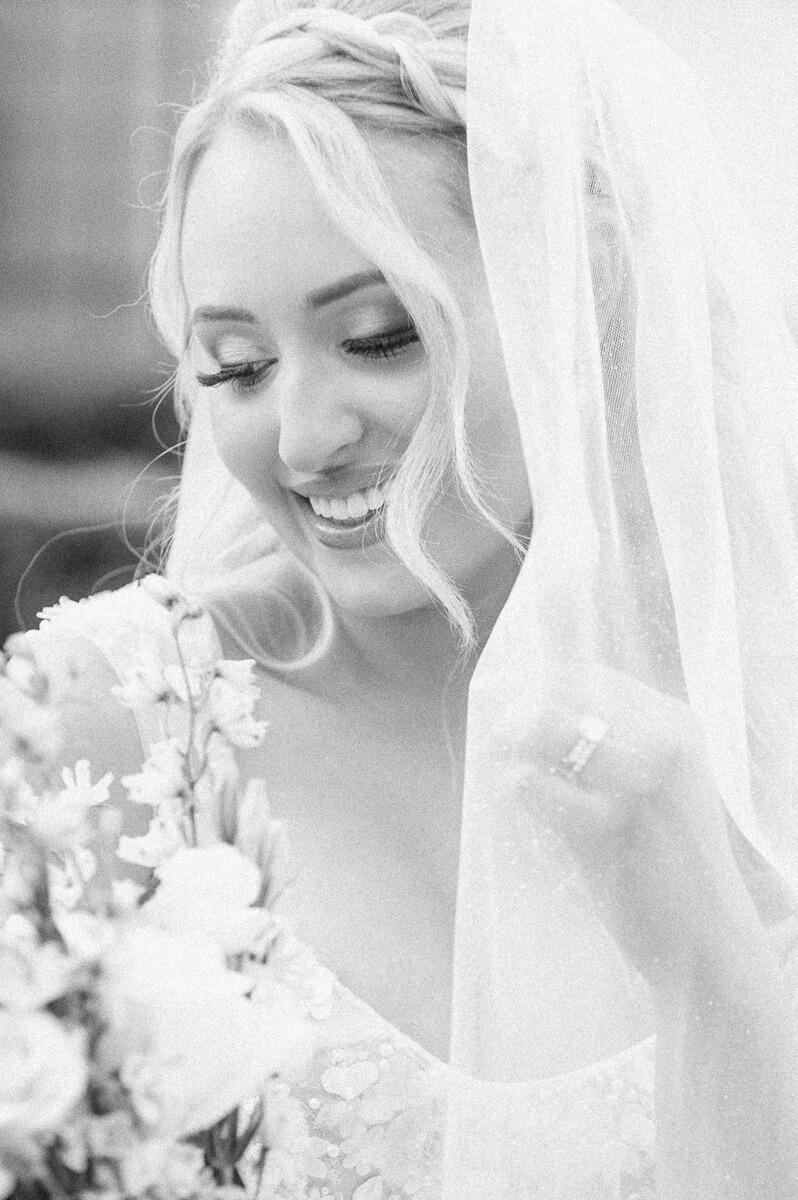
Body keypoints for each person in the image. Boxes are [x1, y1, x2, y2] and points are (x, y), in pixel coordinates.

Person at [19, 0, 798, 1195]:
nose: (302, 439)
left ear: (572, 302)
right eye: (236, 367)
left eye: (381, 338)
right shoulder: (104, 737)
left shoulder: (763, 732)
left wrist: (714, 971)